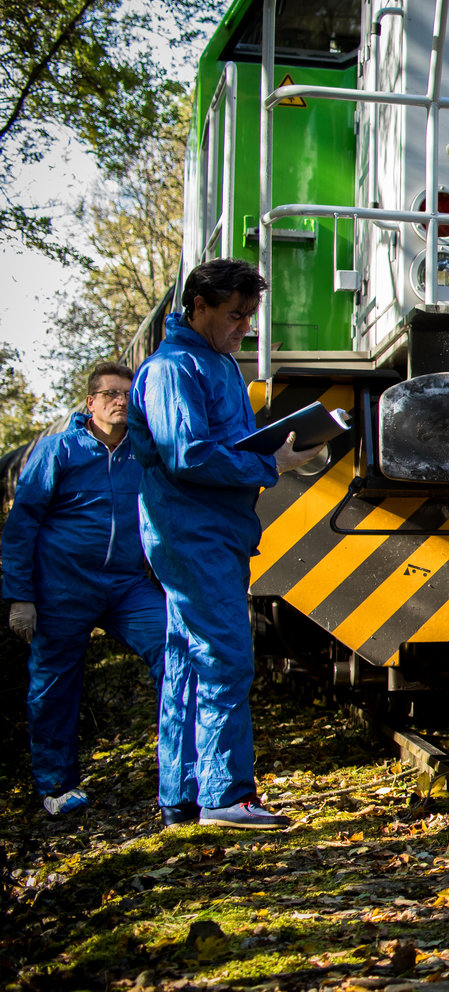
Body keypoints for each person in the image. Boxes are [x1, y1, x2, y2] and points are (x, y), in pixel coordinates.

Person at [128, 259, 323, 829]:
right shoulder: (174, 368)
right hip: (195, 533)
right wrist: (271, 463)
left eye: (249, 315)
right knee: (224, 658)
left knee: (189, 661)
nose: (245, 327)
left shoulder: (211, 363)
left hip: (209, 530)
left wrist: (274, 450)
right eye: (236, 315)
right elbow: (187, 455)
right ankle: (226, 796)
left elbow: (216, 445)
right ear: (199, 307)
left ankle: (183, 795)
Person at [3, 361, 167, 817]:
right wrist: (21, 597)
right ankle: (57, 786)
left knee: (176, 649)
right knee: (53, 686)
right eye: (111, 394)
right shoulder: (59, 450)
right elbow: (22, 524)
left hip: (127, 586)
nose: (121, 401)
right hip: (63, 589)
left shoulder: (144, 451)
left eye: (128, 394)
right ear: (91, 402)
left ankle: (181, 770)